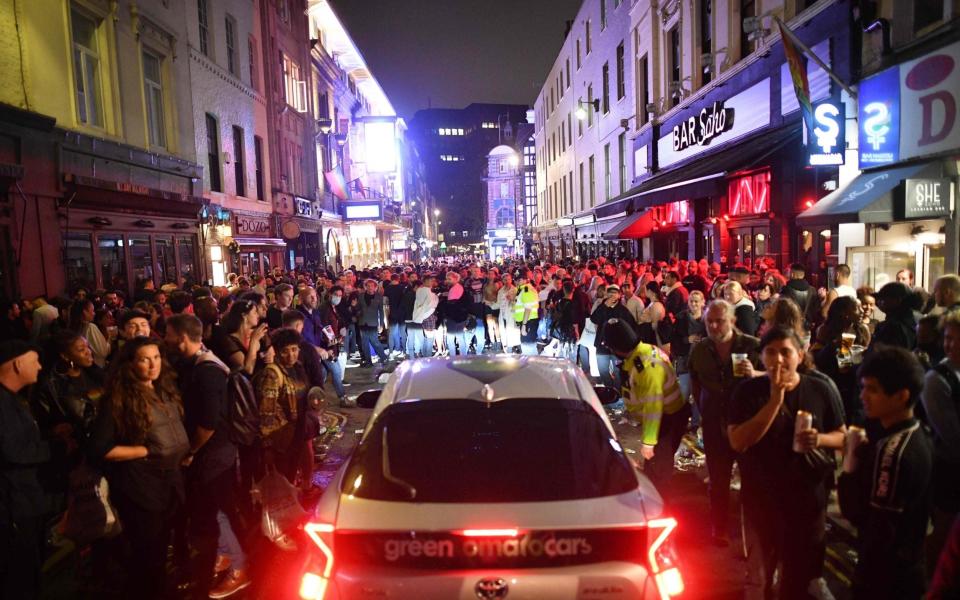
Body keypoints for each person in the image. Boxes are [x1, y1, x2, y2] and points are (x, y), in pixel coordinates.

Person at [728, 326, 845, 600]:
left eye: (785, 352)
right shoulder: (747, 392)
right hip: (762, 499)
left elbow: (842, 435)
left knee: (799, 574)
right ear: (761, 356)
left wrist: (819, 439)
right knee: (760, 575)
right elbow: (738, 441)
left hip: (808, 498)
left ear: (801, 354)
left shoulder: (820, 388)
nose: (778, 359)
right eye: (770, 352)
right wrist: (775, 401)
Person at [88, 337, 189, 599]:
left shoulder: (162, 389)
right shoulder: (118, 400)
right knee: (148, 555)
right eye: (145, 359)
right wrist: (146, 450)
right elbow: (101, 449)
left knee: (160, 549)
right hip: (141, 488)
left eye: (156, 357)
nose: (153, 364)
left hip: (169, 482)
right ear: (130, 364)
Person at [163, 315, 249, 598]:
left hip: (216, 454)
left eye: (169, 334)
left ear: (182, 338)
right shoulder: (198, 364)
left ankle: (240, 568)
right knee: (214, 510)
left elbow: (208, 425)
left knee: (221, 511)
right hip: (214, 453)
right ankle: (225, 556)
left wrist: (191, 451)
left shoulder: (207, 371)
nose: (166, 339)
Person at [839, 347, 931, 600]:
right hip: (909, 565)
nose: (863, 396)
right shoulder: (917, 432)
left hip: (886, 579)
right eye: (863, 387)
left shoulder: (894, 451)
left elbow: (868, 520)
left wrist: (850, 462)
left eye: (873, 390)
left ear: (902, 396)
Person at [0, 340, 70, 599]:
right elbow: (13, 450)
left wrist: (50, 435)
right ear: (18, 363)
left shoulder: (12, 398)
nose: (40, 366)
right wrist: (58, 447)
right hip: (15, 506)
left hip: (24, 502)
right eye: (34, 360)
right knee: (21, 578)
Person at [688, 299, 761, 546]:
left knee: (752, 482)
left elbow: (771, 379)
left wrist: (756, 373)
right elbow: (696, 382)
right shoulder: (700, 350)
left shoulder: (752, 347)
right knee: (718, 480)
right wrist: (703, 408)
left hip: (745, 425)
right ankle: (718, 527)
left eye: (719, 321)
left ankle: (751, 532)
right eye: (709, 321)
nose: (714, 326)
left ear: (732, 320)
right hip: (713, 425)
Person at [605, 318, 689, 493]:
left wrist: (649, 442)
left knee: (658, 472)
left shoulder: (646, 367)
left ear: (617, 348)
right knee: (655, 467)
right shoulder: (642, 352)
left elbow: (653, 407)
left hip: (666, 422)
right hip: (666, 419)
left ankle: (661, 508)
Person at [923, 310, 960, 572]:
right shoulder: (937, 379)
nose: (952, 344)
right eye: (948, 338)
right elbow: (951, 434)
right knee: (945, 530)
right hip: (949, 468)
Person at [254, 328, 309, 482]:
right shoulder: (272, 373)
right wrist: (268, 446)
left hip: (296, 433)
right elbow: (266, 412)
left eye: (294, 349)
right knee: (282, 481)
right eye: (285, 351)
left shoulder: (298, 367)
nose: (291, 355)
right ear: (277, 352)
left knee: (290, 479)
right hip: (280, 440)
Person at [590, 285, 637, 391]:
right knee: (602, 370)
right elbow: (594, 319)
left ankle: (618, 393)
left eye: (614, 293)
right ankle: (609, 390)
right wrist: (604, 306)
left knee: (618, 371)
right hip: (602, 344)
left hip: (618, 347)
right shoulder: (602, 307)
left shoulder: (623, 311)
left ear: (619, 296)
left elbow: (631, 326)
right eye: (609, 294)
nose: (612, 296)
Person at [671, 291, 706, 425]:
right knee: (684, 392)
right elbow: (675, 339)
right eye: (691, 301)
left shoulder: (707, 319)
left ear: (702, 302)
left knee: (698, 394)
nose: (693, 304)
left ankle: (696, 423)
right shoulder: (681, 318)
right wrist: (687, 339)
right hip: (685, 360)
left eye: (696, 301)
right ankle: (680, 421)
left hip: (702, 361)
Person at [216, 298, 269, 376]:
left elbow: (270, 353)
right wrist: (253, 341)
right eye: (255, 312)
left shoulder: (258, 333)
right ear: (244, 315)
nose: (258, 315)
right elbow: (248, 370)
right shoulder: (229, 341)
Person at [870, 283, 922, 351]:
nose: (879, 302)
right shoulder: (920, 318)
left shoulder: (889, 326)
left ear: (897, 300)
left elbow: (878, 355)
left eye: (883, 298)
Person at [70, 298, 111, 368]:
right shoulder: (90, 327)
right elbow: (103, 352)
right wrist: (109, 339)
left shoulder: (73, 327)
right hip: (96, 366)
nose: (94, 313)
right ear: (84, 312)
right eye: (92, 310)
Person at [357, 279, 389, 367]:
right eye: (368, 285)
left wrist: (381, 324)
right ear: (365, 286)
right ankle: (368, 362)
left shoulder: (379, 296)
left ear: (375, 287)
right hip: (362, 322)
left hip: (373, 323)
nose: (370, 287)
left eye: (372, 286)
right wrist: (358, 312)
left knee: (375, 341)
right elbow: (357, 308)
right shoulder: (361, 296)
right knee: (364, 344)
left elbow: (381, 312)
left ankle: (383, 357)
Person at [410, 274, 440, 358]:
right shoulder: (427, 291)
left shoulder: (419, 290)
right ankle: (428, 356)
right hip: (428, 316)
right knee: (430, 337)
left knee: (426, 337)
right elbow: (431, 304)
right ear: (426, 281)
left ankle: (425, 355)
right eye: (431, 280)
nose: (432, 282)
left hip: (421, 316)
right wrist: (436, 298)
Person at [514, 272, 540, 356]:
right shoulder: (524, 289)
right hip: (528, 320)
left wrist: (524, 325)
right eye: (516, 280)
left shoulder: (526, 290)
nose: (517, 282)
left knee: (528, 347)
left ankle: (531, 366)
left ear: (525, 280)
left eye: (519, 280)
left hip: (528, 321)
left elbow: (528, 309)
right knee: (528, 347)